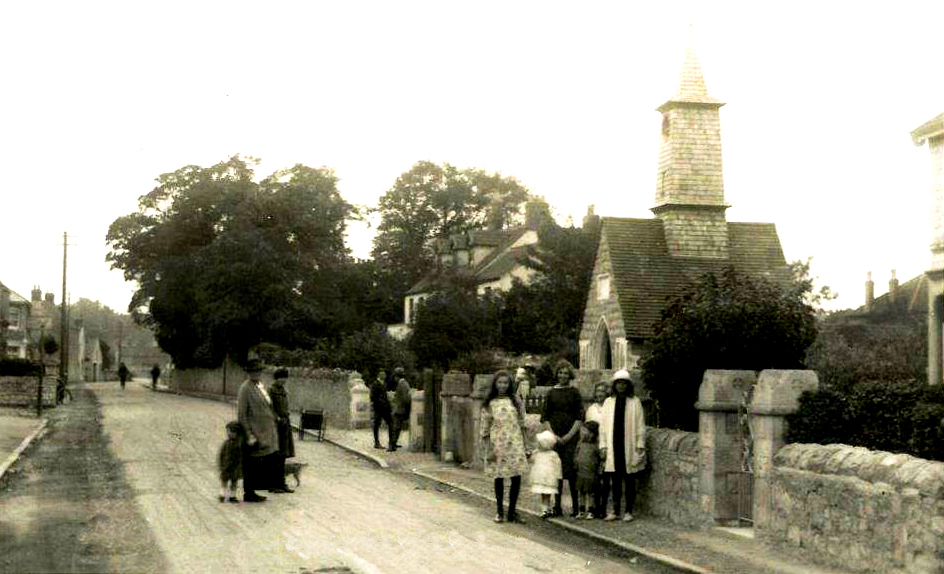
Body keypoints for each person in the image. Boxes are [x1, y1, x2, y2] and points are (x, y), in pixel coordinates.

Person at [479, 370, 529, 524]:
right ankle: (499, 511)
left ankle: (512, 512)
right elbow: (485, 429)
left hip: (515, 443)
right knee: (499, 476)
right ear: (495, 384)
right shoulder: (490, 403)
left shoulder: (515, 400)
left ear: (510, 384)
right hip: (498, 444)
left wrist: (526, 445)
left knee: (516, 476)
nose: (502, 385)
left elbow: (523, 423)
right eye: (500, 382)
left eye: (505, 383)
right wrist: (487, 449)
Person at [599, 369, 646, 522]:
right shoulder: (608, 402)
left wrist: (640, 444)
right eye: (618, 383)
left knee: (630, 478)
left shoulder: (635, 402)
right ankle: (615, 510)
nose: (621, 386)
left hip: (629, 444)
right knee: (616, 479)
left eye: (624, 383)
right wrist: (603, 446)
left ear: (628, 385)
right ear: (614, 385)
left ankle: (628, 511)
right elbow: (603, 427)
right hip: (614, 443)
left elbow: (640, 425)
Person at [541, 359, 584, 517]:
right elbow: (545, 417)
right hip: (555, 438)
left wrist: (568, 436)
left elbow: (580, 417)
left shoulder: (574, 393)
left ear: (570, 375)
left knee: (571, 472)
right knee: (556, 472)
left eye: (566, 373)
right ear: (557, 374)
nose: (563, 376)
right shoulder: (551, 393)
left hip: (571, 437)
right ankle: (557, 506)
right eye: (560, 372)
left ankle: (576, 507)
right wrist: (554, 435)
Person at [236, 358, 278, 502]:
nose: (257, 373)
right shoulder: (245, 388)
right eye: (254, 371)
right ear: (249, 372)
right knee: (251, 464)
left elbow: (267, 405)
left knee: (258, 463)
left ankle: (253, 490)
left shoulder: (259, 385)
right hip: (254, 433)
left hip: (265, 432)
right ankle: (249, 493)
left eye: (259, 371)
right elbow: (242, 414)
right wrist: (249, 434)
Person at [268, 368, 295, 493]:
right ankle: (273, 484)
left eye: (285, 378)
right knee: (275, 456)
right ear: (276, 378)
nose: (284, 380)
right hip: (276, 426)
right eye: (281, 378)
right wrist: (277, 418)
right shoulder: (270, 390)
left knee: (283, 455)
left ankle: (281, 483)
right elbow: (268, 408)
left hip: (285, 424)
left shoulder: (283, 390)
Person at [585, 381, 609, 517]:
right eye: (598, 391)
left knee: (604, 478)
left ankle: (603, 507)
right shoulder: (591, 409)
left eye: (602, 391)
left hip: (606, 445)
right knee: (593, 477)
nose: (600, 394)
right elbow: (588, 428)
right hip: (593, 445)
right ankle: (593, 506)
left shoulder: (610, 407)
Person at [530, 427, 562, 518]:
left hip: (548, 477)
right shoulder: (538, 453)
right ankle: (545, 509)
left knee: (547, 494)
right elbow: (532, 460)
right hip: (542, 477)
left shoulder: (553, 455)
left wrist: (558, 476)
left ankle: (546, 509)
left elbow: (557, 465)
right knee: (544, 493)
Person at [574, 420, 601, 519]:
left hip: (591, 472)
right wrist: (576, 463)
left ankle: (590, 510)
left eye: (589, 432)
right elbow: (576, 454)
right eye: (584, 431)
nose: (586, 434)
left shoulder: (596, 445)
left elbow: (599, 457)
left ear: (594, 434)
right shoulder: (580, 443)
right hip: (581, 472)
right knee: (581, 492)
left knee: (590, 492)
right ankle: (581, 510)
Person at [218, 421, 243, 503]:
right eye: (228, 432)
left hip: (235, 467)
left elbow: (241, 457)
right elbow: (221, 454)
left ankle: (233, 496)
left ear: (237, 433)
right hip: (226, 466)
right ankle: (222, 494)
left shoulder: (239, 444)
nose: (229, 434)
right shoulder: (226, 443)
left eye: (231, 432)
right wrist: (221, 465)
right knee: (224, 481)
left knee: (234, 482)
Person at [370, 369, 393, 449]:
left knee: (390, 424)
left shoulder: (384, 384)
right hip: (378, 408)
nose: (384, 376)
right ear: (379, 375)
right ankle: (376, 442)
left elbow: (385, 396)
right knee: (376, 425)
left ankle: (391, 442)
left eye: (385, 374)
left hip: (385, 408)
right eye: (382, 374)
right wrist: (381, 403)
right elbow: (373, 397)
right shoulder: (375, 384)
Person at [390, 367, 412, 451]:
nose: (394, 378)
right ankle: (393, 444)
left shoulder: (403, 385)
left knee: (396, 427)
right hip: (400, 409)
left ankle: (392, 445)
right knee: (397, 428)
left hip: (400, 410)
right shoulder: (403, 384)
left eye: (395, 376)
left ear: (397, 377)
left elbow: (406, 399)